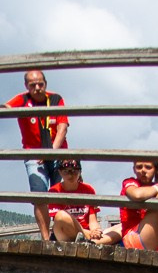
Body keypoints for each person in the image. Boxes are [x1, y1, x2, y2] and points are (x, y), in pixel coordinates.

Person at [7, 70, 70, 237]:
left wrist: (50, 153)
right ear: (26, 86)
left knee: (61, 194)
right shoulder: (23, 99)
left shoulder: (56, 99)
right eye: (32, 85)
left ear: (46, 84)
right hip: (33, 154)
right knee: (39, 194)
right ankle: (45, 239)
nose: (37, 88)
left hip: (58, 152)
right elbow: (6, 107)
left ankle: (61, 235)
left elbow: (62, 129)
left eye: (40, 84)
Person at [108, 159, 158, 252]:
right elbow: (137, 195)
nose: (143, 170)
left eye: (148, 167)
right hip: (134, 238)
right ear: (134, 169)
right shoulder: (130, 183)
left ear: (155, 170)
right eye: (139, 167)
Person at [44, 159, 103, 243]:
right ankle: (89, 240)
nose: (70, 175)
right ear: (60, 172)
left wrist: (96, 231)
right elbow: (59, 219)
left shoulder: (88, 190)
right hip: (64, 232)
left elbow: (93, 220)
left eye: (74, 171)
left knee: (119, 229)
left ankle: (91, 241)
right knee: (61, 215)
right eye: (66, 172)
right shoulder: (55, 191)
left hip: (88, 233)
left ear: (80, 172)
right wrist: (88, 233)